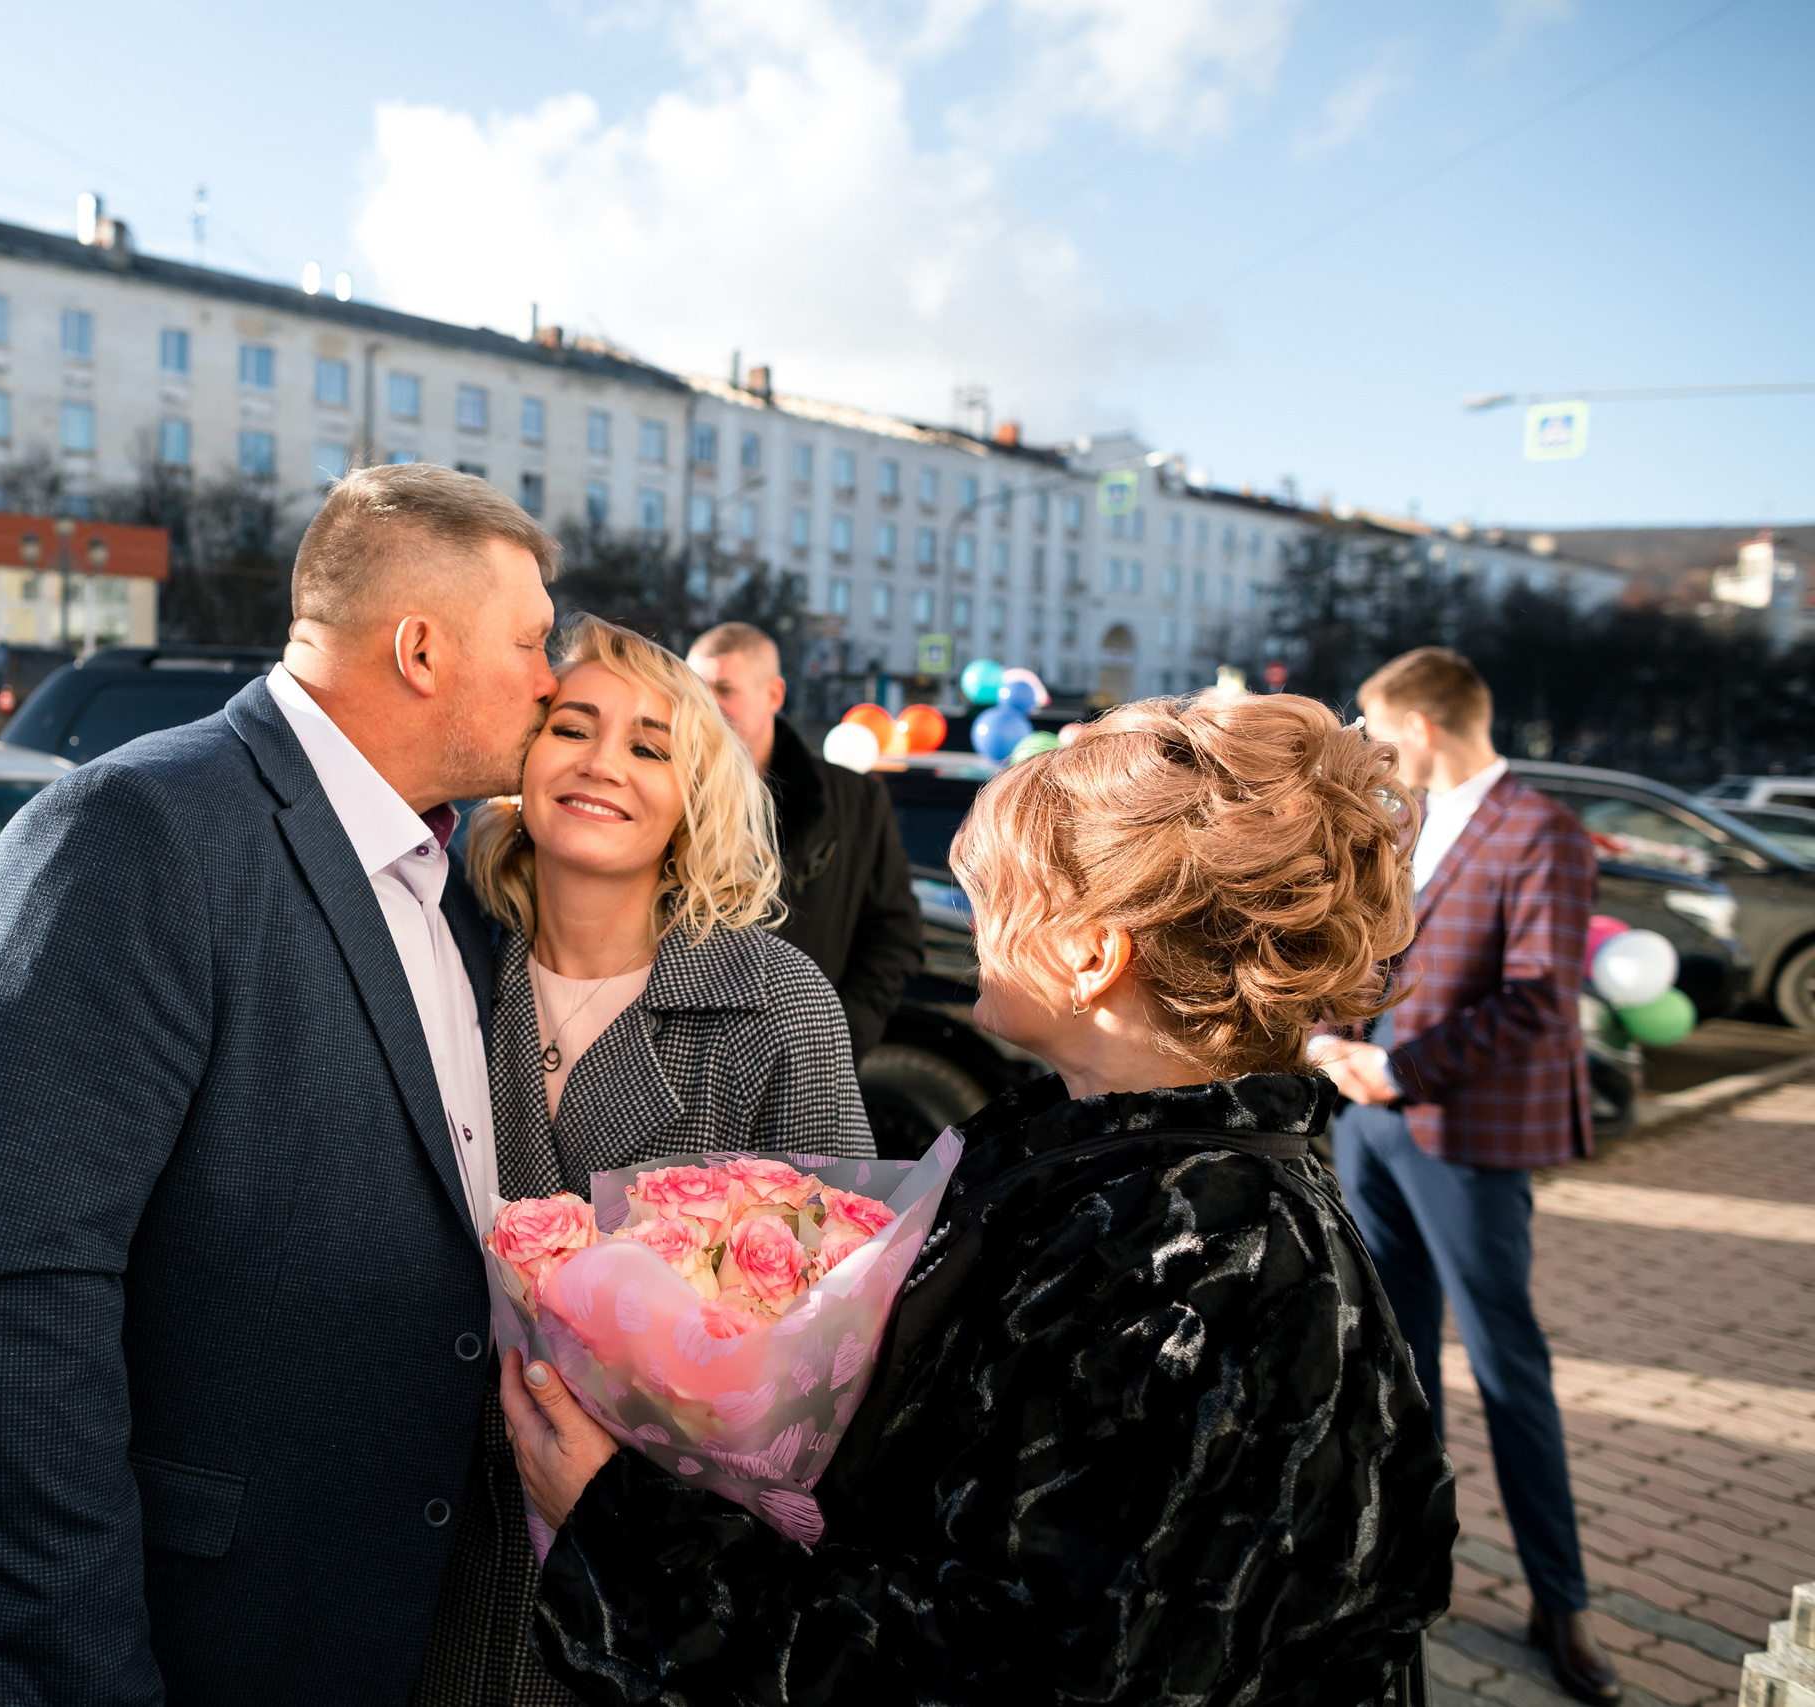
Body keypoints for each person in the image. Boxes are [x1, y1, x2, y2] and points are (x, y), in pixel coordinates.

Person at [500, 691, 1457, 1705]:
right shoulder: (1115, 1173)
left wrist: (620, 1526)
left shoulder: (1208, 1253)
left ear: (1092, 955)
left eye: (1002, 895)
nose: (974, 921)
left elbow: (1009, 1668)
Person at [0, 463, 563, 1704]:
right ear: (421, 649)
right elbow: (3, 1304)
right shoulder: (136, 832)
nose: (551, 680)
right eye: (532, 640)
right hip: (163, 1643)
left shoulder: (451, 889)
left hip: (345, 1637)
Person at [414, 618, 873, 1706]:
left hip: (646, 1591)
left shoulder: (775, 1006)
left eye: (649, 746)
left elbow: (841, 1330)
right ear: (522, 758)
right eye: (571, 728)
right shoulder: (437, 962)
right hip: (424, 1558)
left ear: (694, 797)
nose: (601, 763)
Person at [1311, 647, 1616, 1704]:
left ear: (1422, 725)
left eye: (1374, 725)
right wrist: (1330, 1040)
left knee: (1505, 1365)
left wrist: (1402, 1070)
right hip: (1369, 1127)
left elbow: (1539, 997)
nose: (1367, 745)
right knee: (1395, 1363)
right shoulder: (1408, 821)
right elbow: (1370, 953)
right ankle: (1403, 1573)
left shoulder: (1542, 830)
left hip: (1466, 1138)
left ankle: (1559, 1600)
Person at [685, 624, 922, 1061]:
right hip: (691, 1064)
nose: (708, 705)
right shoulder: (668, 793)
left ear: (774, 695)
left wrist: (837, 1038)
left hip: (807, 1059)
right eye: (697, 689)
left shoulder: (853, 800)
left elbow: (894, 934)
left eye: (725, 689)